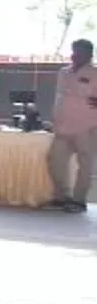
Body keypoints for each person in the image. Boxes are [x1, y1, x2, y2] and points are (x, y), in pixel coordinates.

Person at [48, 39, 97, 214]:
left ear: (89, 54)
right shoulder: (64, 72)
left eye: (80, 51)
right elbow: (59, 97)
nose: (75, 54)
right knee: (54, 161)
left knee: (85, 165)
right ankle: (62, 196)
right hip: (62, 126)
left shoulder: (95, 73)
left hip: (87, 127)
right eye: (74, 50)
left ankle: (79, 200)